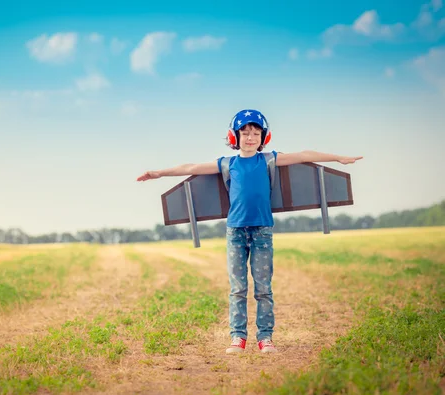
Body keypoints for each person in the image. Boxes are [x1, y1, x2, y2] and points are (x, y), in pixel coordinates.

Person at [136, 109, 363, 354]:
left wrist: (338, 157)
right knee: (238, 288)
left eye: (256, 133)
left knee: (263, 288)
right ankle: (238, 338)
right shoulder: (227, 163)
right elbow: (190, 167)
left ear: (264, 137)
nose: (251, 137)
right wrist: (158, 173)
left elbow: (304, 154)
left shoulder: (269, 160)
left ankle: (265, 338)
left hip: (262, 232)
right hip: (235, 232)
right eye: (245, 133)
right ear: (234, 137)